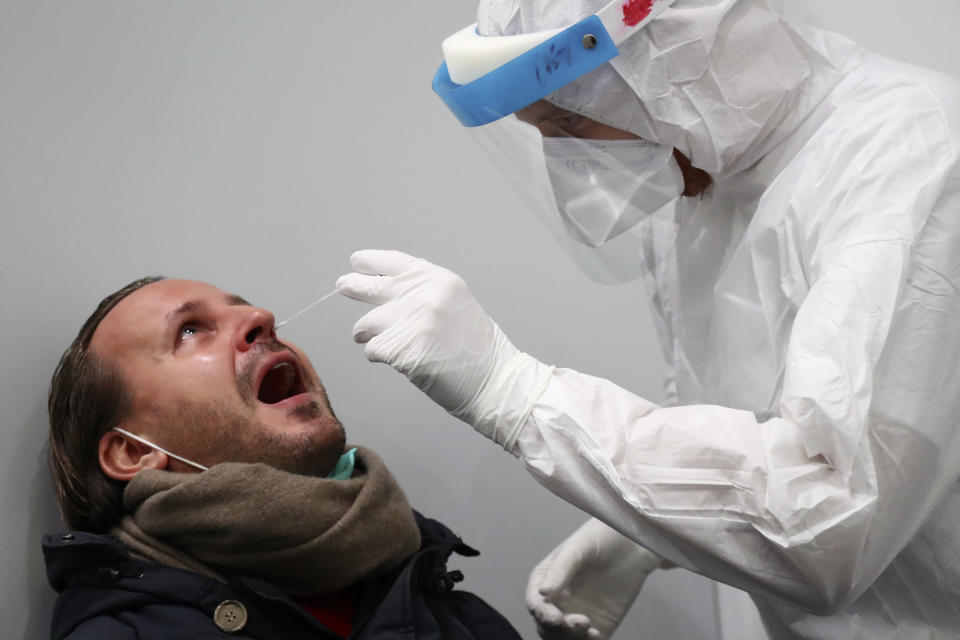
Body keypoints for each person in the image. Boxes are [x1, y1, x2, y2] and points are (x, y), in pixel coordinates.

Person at [335, 0, 960, 638]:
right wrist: (645, 530)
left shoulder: (911, 157)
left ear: (685, 51)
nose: (575, 168)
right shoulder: (697, 173)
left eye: (571, 121)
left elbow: (835, 525)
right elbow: (718, 401)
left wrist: (516, 394)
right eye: (541, 133)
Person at [43, 276, 523, 640]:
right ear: (133, 451)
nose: (261, 317)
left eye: (242, 307)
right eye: (189, 331)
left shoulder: (438, 594)